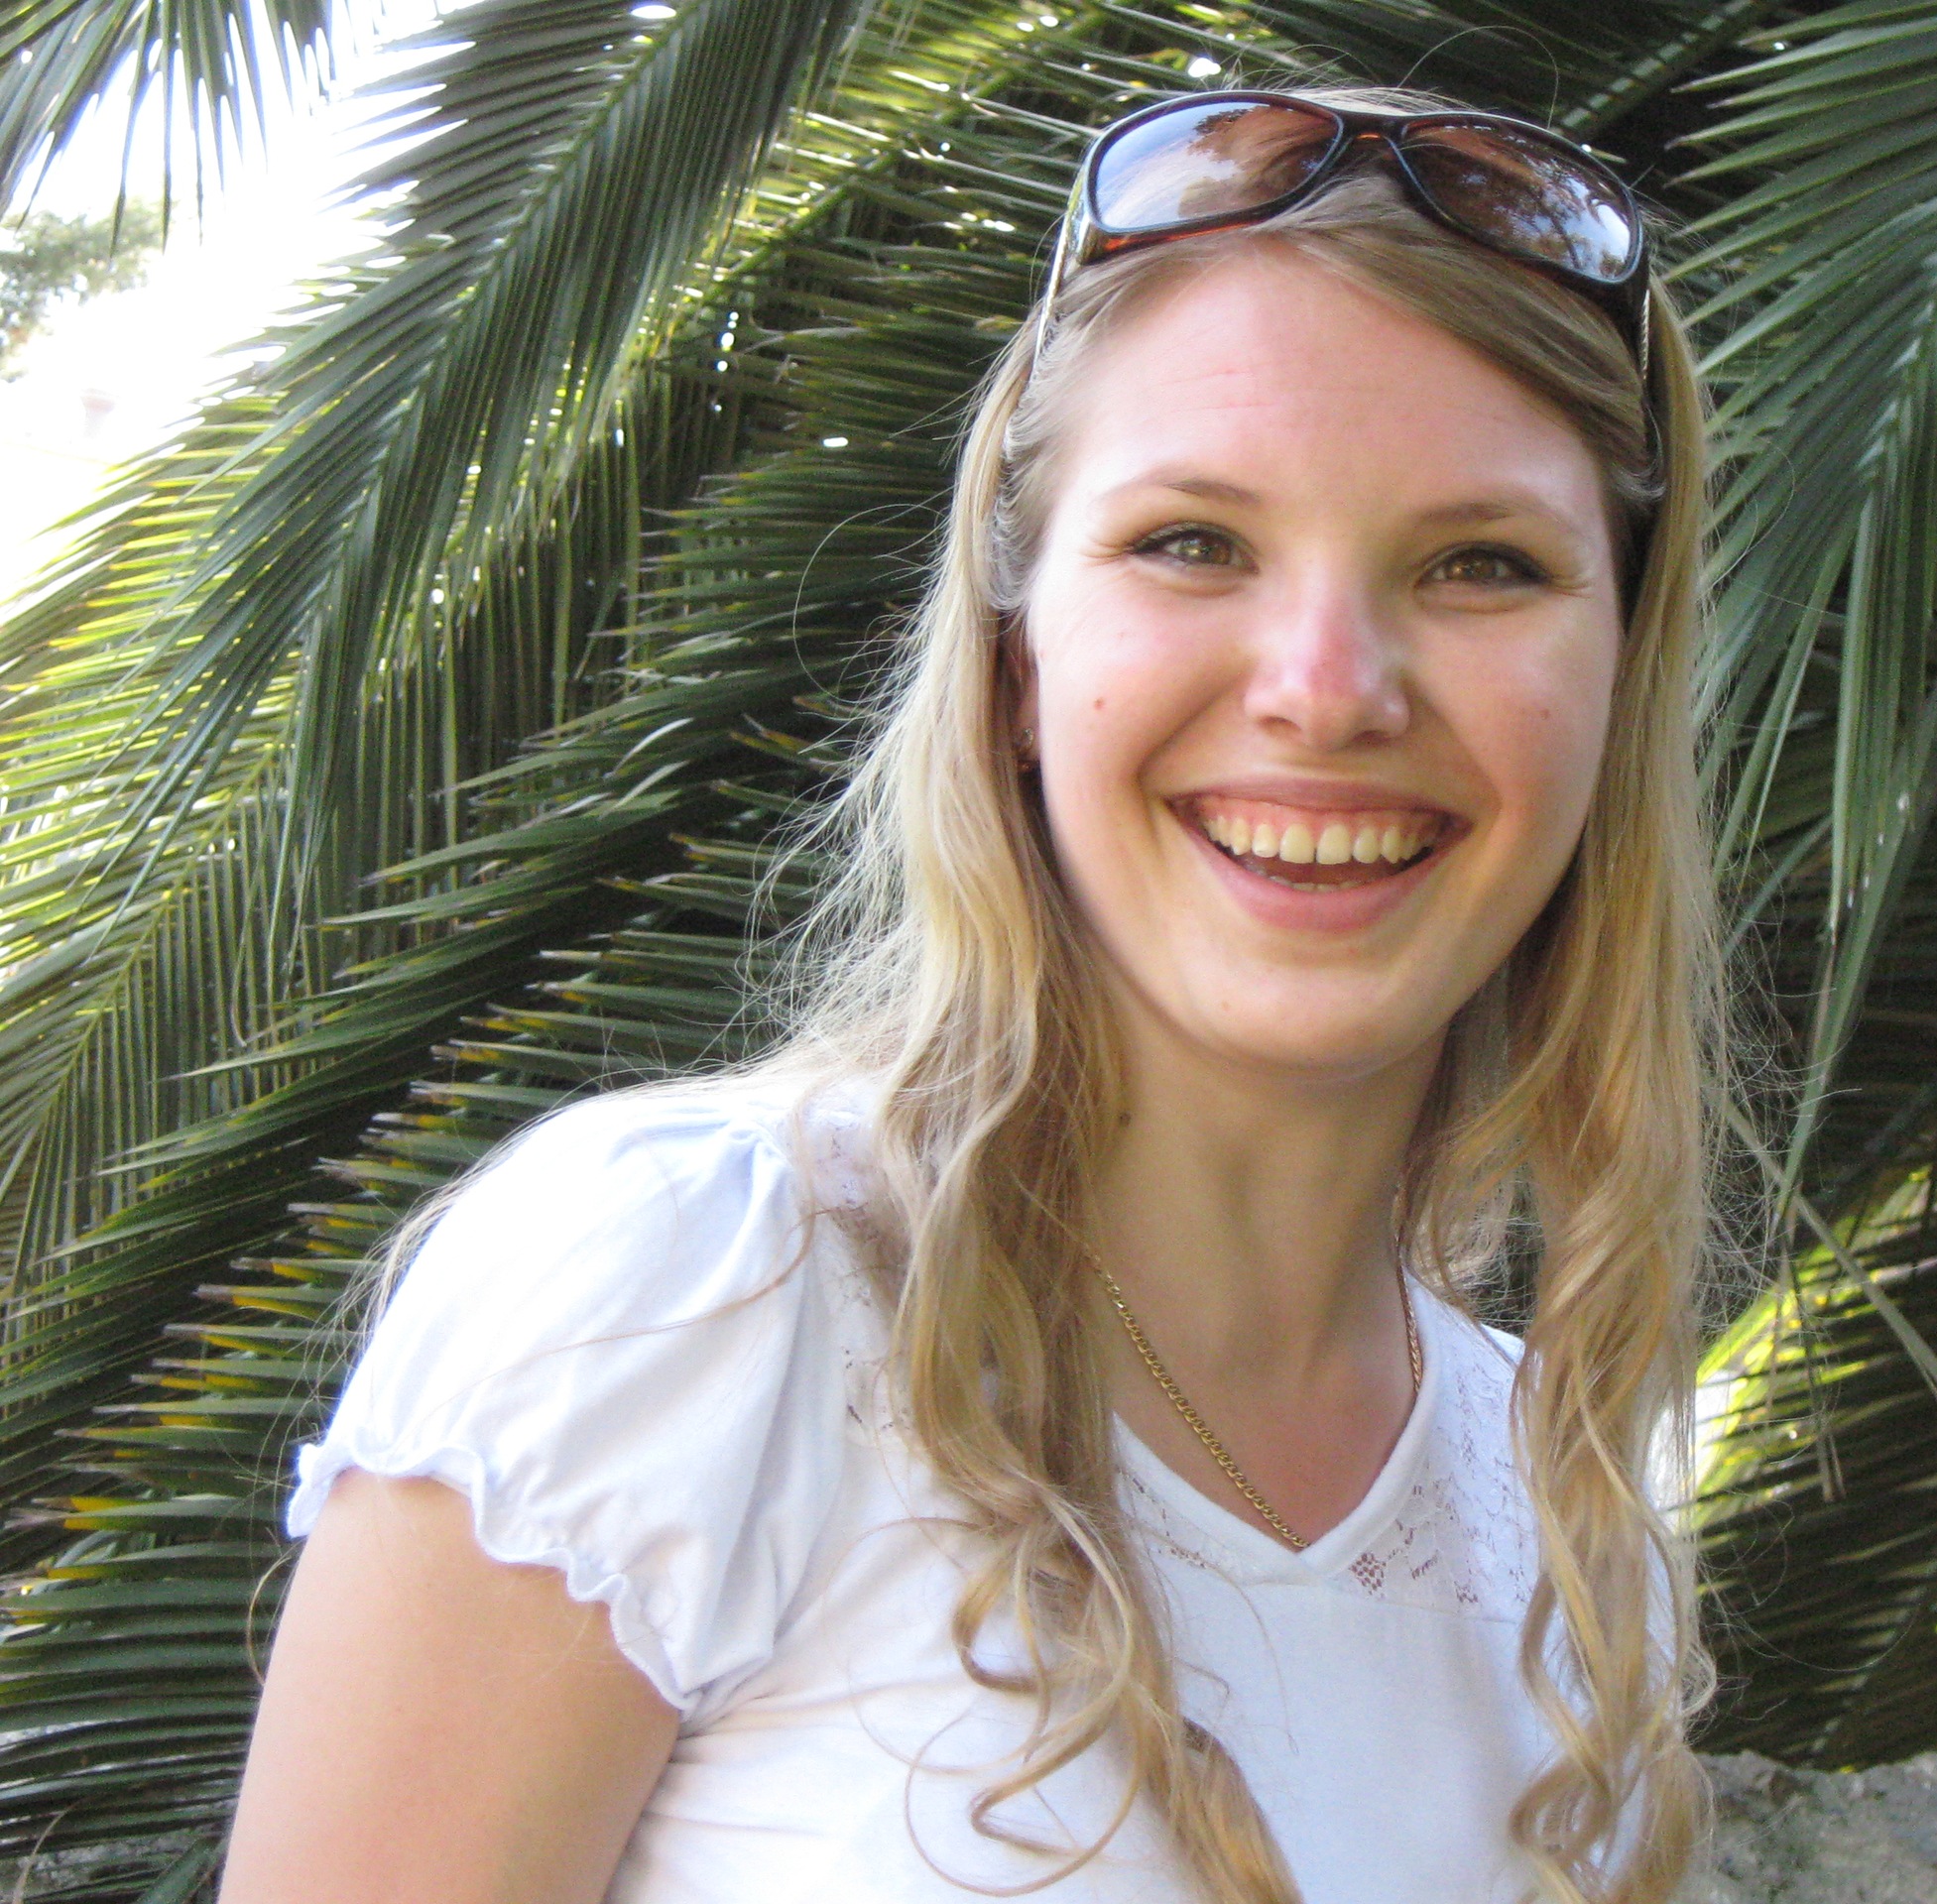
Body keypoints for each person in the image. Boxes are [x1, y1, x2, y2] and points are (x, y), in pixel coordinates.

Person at [221, 82, 1732, 1904]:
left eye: (1482, 564)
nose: (1329, 688)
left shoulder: (1565, 1517)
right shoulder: (693, 1300)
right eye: (1192, 543)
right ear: (1018, 660)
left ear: (1619, 676)